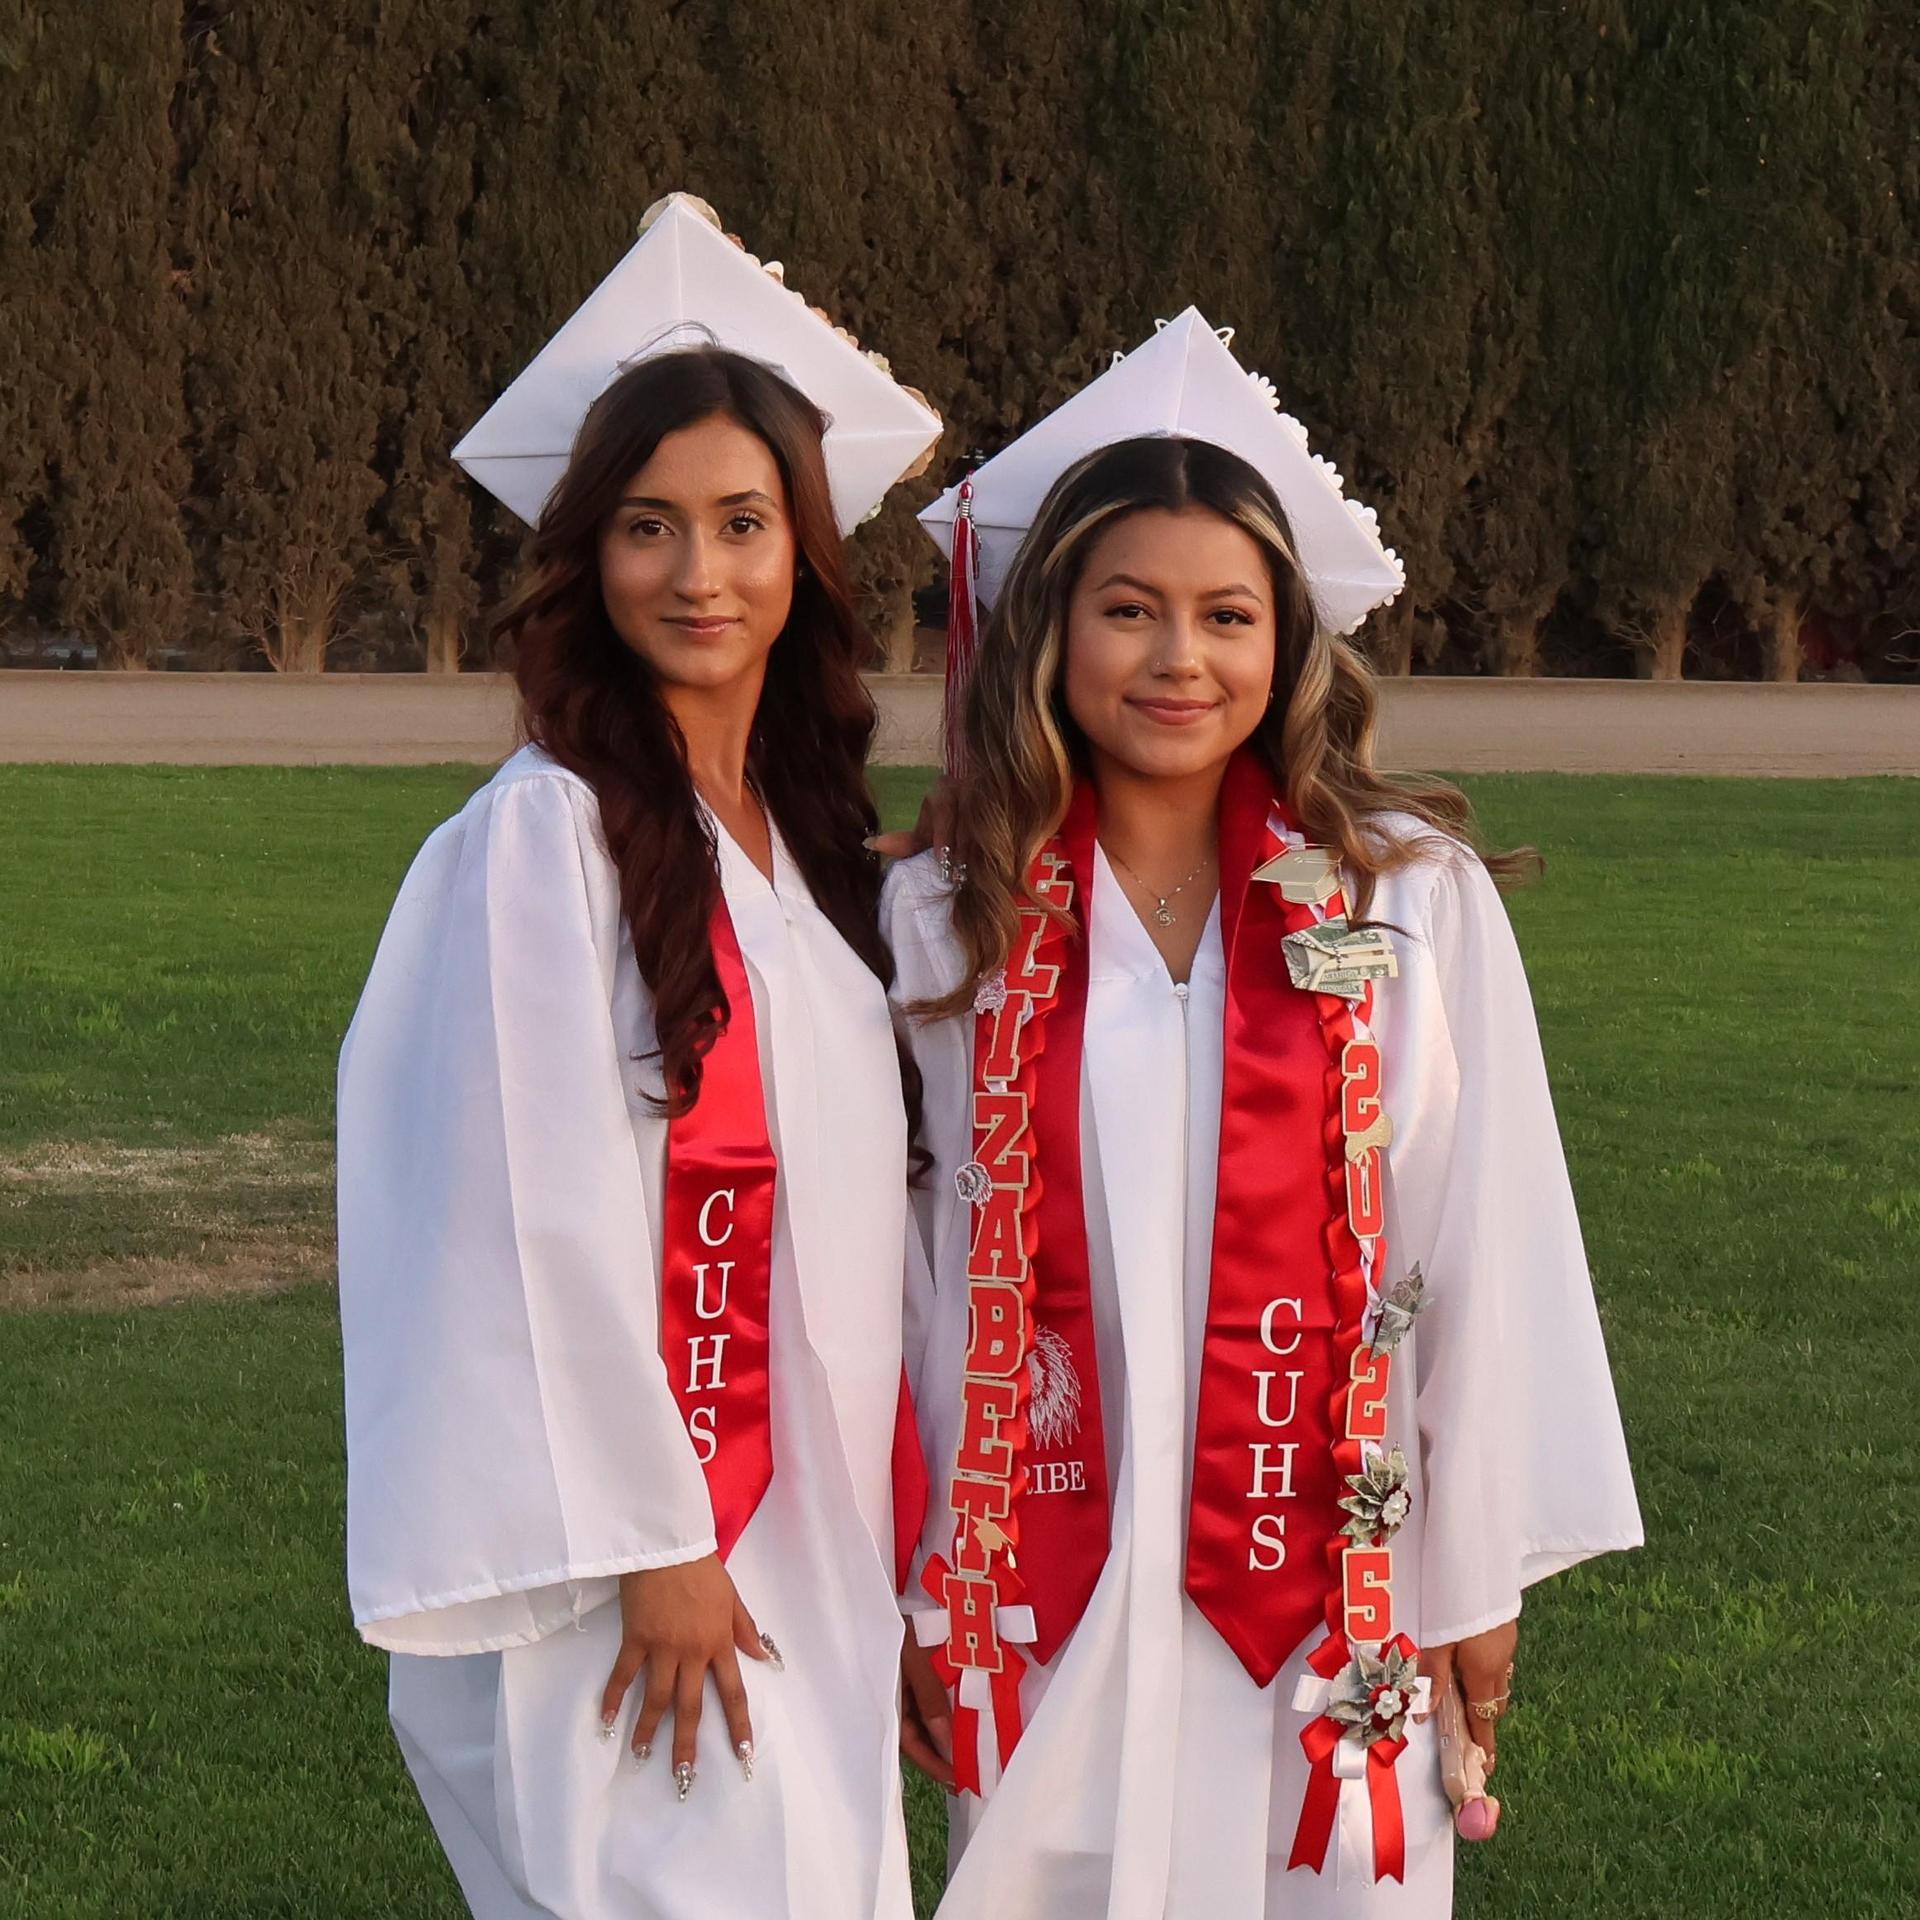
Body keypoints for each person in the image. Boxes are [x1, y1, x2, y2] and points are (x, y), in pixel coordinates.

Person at [886, 310, 1642, 1918]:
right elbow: (908, 1272)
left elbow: (1480, 1239)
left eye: (1227, 615)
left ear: (1288, 644)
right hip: (1045, 1575)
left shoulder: (1403, 901)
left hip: (1333, 1597)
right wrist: (922, 1590)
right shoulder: (950, 921)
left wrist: (1475, 1569)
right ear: (1047, 630)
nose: (1181, 658)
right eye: (1129, 610)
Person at [337, 195, 941, 1919]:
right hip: (637, 1549)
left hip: (810, 1529)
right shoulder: (545, 840)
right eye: (648, 528)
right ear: (587, 557)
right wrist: (659, 1543)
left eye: (744, 524)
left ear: (805, 551)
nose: (698, 576)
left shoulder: (804, 851)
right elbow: (511, 1211)